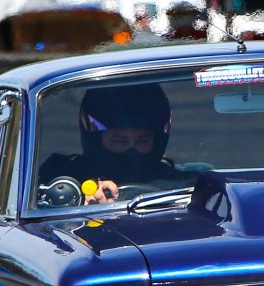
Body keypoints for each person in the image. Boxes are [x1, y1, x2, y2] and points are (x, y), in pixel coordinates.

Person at [37, 83, 185, 205]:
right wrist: (79, 202)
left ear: (157, 141)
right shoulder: (60, 180)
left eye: (142, 140)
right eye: (119, 140)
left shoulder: (182, 186)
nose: (131, 150)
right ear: (94, 139)